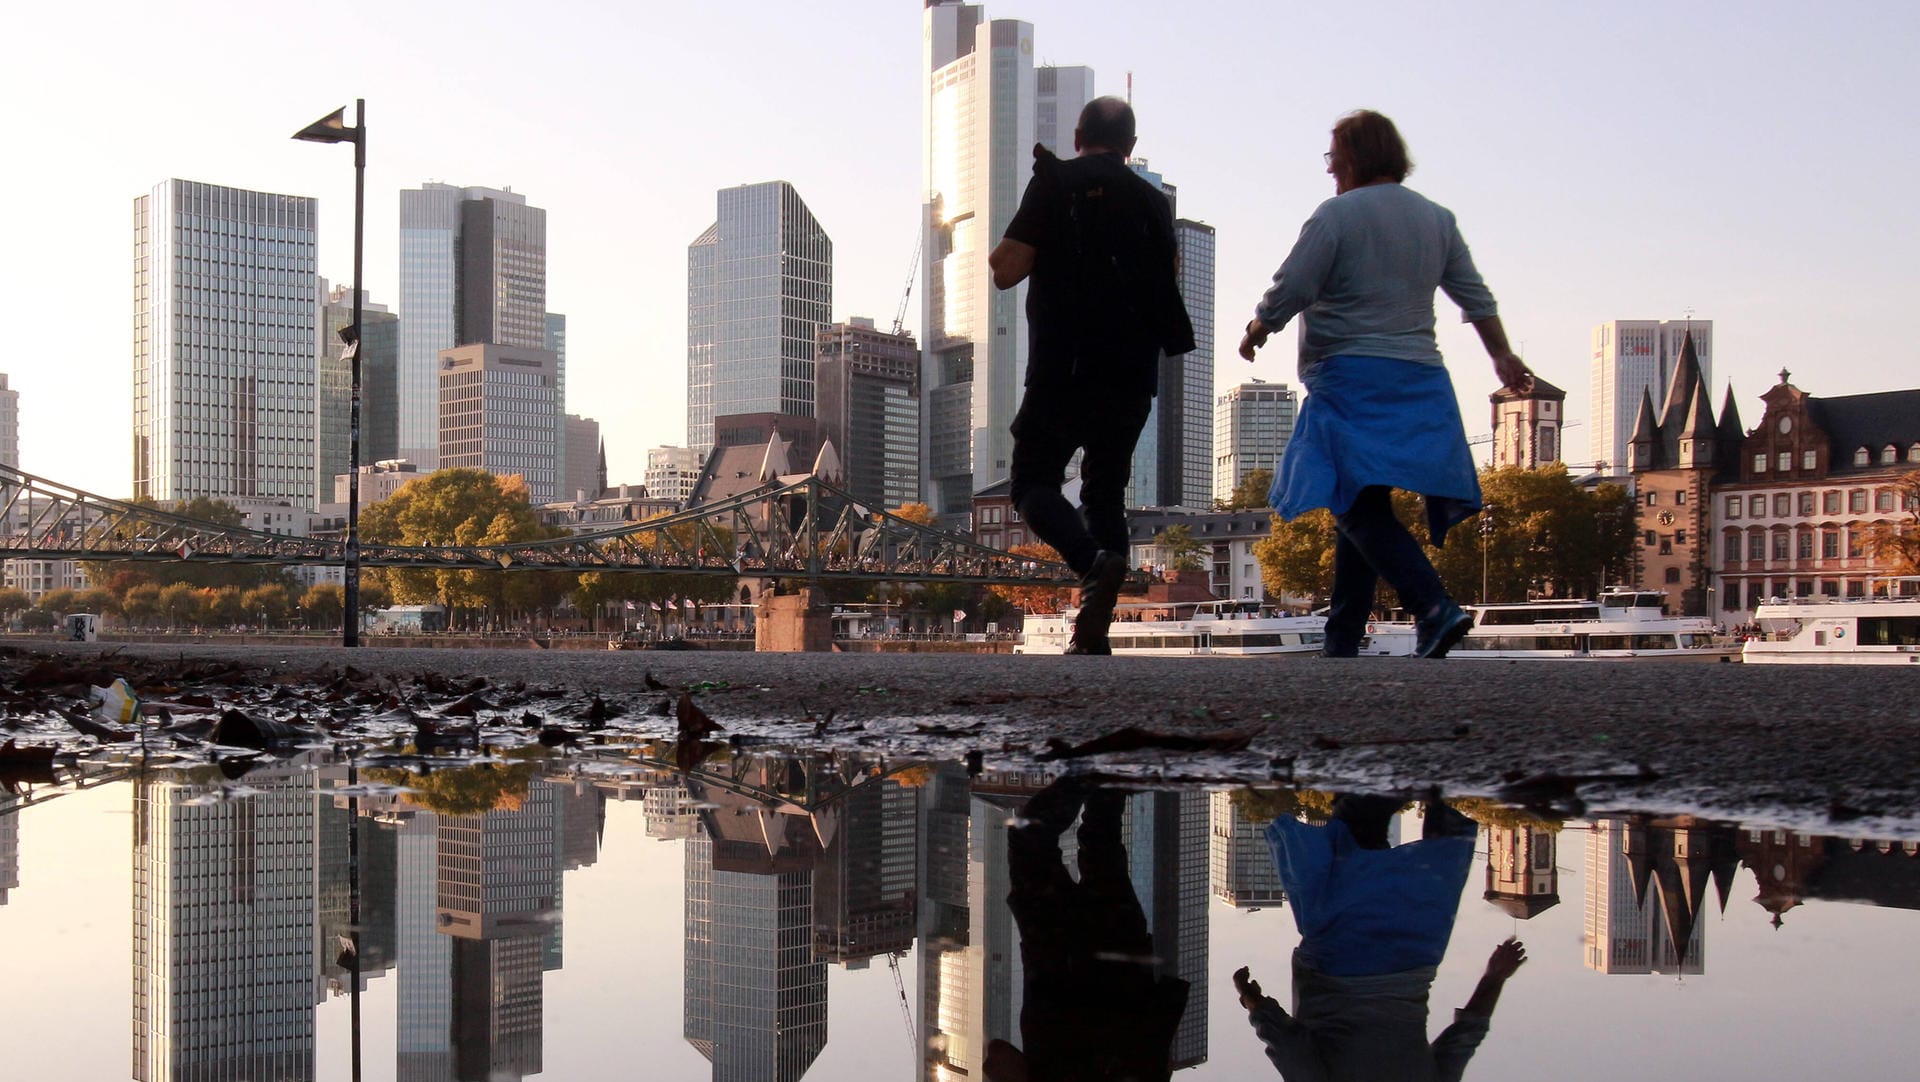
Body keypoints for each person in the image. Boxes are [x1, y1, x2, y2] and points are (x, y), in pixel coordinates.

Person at [1238, 110, 1533, 658]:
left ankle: (1433, 605)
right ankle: (1342, 637)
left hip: (1350, 375)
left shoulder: (1336, 216)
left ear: (1352, 158)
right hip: (1420, 379)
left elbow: (1294, 284)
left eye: (1333, 159)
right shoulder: (1437, 220)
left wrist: (1260, 325)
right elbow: (1476, 298)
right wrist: (1502, 357)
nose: (1330, 172)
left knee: (1349, 500)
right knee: (1365, 498)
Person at [990, 96, 1195, 654]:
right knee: (1105, 494)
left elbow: (1006, 270)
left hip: (1065, 363)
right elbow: (1167, 275)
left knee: (1032, 481)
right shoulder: (1155, 203)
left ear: (1078, 135)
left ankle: (1089, 561)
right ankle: (1092, 636)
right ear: (1130, 146)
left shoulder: (1056, 181)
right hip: (1132, 373)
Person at [1232, 792, 1527, 1080]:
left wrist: (1495, 976)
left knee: (1433, 867)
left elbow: (1466, 1036)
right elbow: (1291, 1049)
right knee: (1350, 864)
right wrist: (1253, 1001)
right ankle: (1378, 795)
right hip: (1339, 968)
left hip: (1413, 959)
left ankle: (1428, 792)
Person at [983, 775, 1190, 1082]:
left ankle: (1109, 764)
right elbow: (998, 1056)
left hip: (1118, 947)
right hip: (1055, 947)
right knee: (1032, 838)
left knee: (1101, 838)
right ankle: (1089, 770)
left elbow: (1163, 1048)